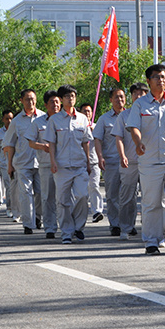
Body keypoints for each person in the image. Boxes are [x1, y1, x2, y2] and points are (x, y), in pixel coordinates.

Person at [125, 64, 165, 256]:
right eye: (156, 77)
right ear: (148, 80)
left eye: (163, 77)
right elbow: (134, 127)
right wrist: (138, 142)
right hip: (149, 161)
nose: (160, 80)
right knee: (152, 202)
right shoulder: (140, 104)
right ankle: (152, 241)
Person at [44, 84, 92, 244]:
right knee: (62, 201)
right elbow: (51, 143)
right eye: (67, 96)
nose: (70, 99)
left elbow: (86, 142)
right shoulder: (54, 120)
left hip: (80, 166)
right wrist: (53, 162)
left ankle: (78, 227)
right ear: (61, 99)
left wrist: (88, 162)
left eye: (73, 96)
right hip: (62, 166)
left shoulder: (82, 119)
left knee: (82, 195)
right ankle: (66, 232)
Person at [4, 89, 45, 235]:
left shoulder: (43, 117)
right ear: (21, 101)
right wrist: (9, 165)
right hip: (22, 163)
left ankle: (38, 217)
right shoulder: (16, 121)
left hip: (40, 162)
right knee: (26, 193)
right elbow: (9, 144)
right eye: (27, 99)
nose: (31, 102)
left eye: (33, 99)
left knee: (40, 193)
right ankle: (28, 224)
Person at [112, 82, 149, 240]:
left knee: (150, 197)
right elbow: (119, 137)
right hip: (130, 162)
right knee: (127, 197)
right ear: (131, 96)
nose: (138, 96)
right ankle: (126, 228)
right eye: (135, 93)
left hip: (149, 161)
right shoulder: (124, 115)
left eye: (142, 94)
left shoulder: (151, 113)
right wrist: (122, 156)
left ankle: (150, 229)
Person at [27, 90, 61, 238]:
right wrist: (43, 146)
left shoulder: (64, 120)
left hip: (64, 165)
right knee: (47, 197)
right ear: (46, 104)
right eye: (52, 102)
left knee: (65, 197)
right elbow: (31, 142)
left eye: (57, 101)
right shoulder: (38, 122)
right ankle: (50, 228)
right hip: (46, 165)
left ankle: (67, 226)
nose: (55, 105)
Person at [94, 88, 127, 236]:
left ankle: (128, 223)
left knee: (129, 195)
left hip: (130, 162)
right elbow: (98, 139)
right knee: (112, 195)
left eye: (122, 97)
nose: (119, 100)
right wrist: (100, 157)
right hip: (112, 162)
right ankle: (115, 224)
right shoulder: (104, 119)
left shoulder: (132, 115)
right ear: (111, 100)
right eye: (116, 98)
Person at [80, 103, 104, 224]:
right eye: (84, 111)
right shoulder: (78, 126)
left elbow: (102, 141)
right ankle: (81, 214)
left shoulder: (96, 127)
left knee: (94, 186)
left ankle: (97, 211)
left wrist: (94, 133)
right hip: (80, 162)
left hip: (94, 161)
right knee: (82, 191)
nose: (87, 113)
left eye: (89, 111)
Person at [0, 110, 15, 217]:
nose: (9, 121)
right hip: (4, 164)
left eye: (11, 118)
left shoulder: (17, 131)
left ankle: (17, 208)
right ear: (3, 120)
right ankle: (10, 208)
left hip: (17, 162)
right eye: (7, 118)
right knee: (9, 186)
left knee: (17, 187)